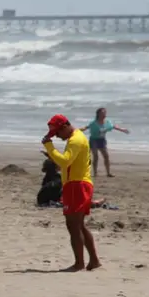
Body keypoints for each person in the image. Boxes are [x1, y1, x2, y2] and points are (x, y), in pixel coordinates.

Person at [43, 114, 100, 271]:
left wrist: (49, 146)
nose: (58, 137)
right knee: (79, 225)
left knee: (73, 225)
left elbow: (64, 161)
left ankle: (79, 263)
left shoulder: (75, 140)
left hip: (77, 185)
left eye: (58, 133)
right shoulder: (76, 137)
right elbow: (67, 162)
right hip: (76, 183)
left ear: (65, 127)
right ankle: (93, 260)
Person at [81, 107, 130, 177]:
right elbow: (86, 127)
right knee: (96, 156)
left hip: (102, 140)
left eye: (105, 113)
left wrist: (123, 130)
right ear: (98, 114)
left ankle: (108, 173)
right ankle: (95, 173)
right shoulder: (94, 123)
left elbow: (113, 127)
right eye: (102, 113)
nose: (104, 114)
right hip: (93, 140)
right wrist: (76, 131)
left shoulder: (107, 122)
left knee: (106, 156)